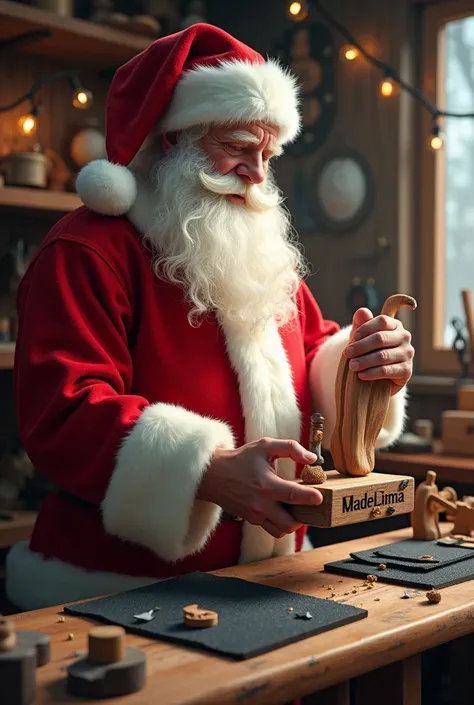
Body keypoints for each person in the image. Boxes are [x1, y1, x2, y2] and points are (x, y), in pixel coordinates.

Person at [5, 23, 414, 611]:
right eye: (238, 146)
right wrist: (206, 469)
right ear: (174, 140)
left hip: (275, 579)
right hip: (122, 594)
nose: (256, 173)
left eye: (267, 155)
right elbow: (63, 411)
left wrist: (367, 363)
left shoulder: (261, 254)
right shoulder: (87, 251)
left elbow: (316, 351)